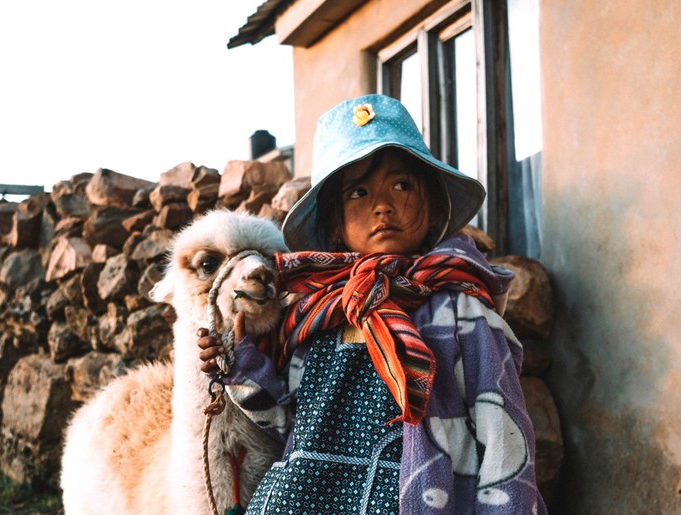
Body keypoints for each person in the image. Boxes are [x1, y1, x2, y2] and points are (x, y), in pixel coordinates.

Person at [199, 94, 547, 514]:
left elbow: (504, 435)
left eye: (401, 185)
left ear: (431, 203)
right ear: (334, 224)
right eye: (358, 193)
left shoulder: (461, 312)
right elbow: (290, 424)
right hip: (300, 500)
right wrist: (239, 365)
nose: (382, 205)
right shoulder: (317, 315)